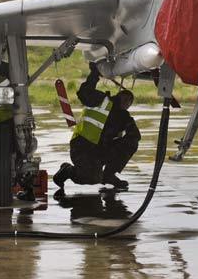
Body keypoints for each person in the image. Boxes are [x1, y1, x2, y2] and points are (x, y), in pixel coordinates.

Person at [53, 62, 141, 197]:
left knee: (132, 141)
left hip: (100, 150)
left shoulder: (124, 117)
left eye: (130, 100)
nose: (127, 101)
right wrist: (94, 73)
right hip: (82, 147)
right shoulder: (101, 100)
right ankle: (68, 171)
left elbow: (134, 136)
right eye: (126, 98)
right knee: (92, 179)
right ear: (119, 96)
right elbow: (84, 93)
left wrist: (127, 138)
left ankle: (109, 175)